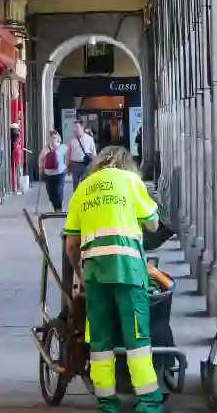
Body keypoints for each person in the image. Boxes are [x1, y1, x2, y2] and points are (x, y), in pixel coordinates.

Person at [62, 146, 164, 413]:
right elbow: (153, 223)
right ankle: (148, 401)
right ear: (126, 163)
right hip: (128, 271)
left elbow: (71, 244)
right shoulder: (131, 181)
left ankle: (107, 402)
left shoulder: (82, 189)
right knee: (137, 338)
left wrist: (80, 274)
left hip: (95, 274)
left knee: (100, 341)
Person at [38, 130, 68, 212]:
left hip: (60, 173)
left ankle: (59, 207)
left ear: (59, 138)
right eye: (51, 138)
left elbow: (68, 157)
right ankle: (55, 206)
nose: (53, 139)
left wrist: (67, 167)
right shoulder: (46, 148)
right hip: (48, 174)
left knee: (58, 190)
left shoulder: (63, 147)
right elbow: (40, 159)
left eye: (55, 138)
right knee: (50, 192)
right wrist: (40, 169)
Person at [66, 120, 97, 191]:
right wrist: (67, 167)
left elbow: (94, 153)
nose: (74, 129)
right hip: (75, 164)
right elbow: (68, 154)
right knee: (75, 186)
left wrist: (94, 166)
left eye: (76, 127)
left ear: (82, 127)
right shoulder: (72, 140)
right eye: (74, 127)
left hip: (86, 165)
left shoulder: (89, 139)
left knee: (85, 184)